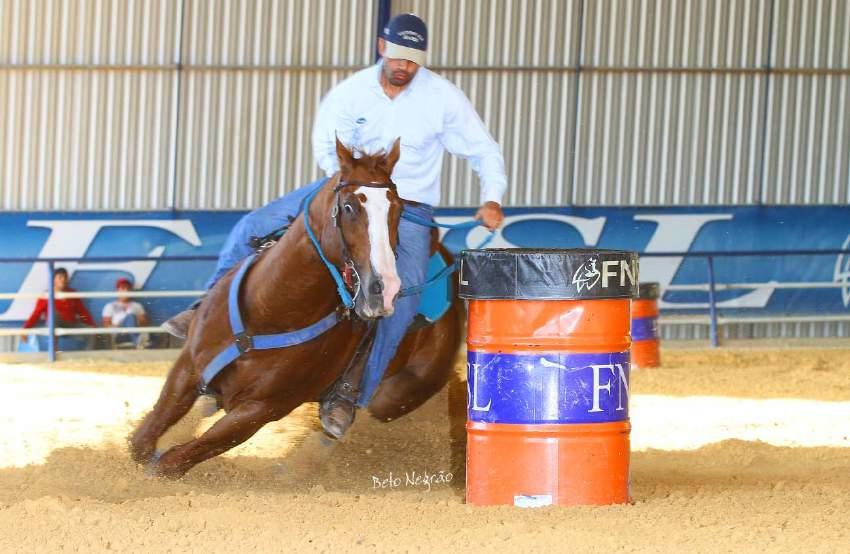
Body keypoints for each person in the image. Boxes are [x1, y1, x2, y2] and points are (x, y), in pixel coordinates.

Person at [162, 13, 508, 438]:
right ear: (383, 48)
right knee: (254, 225)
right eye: (398, 56)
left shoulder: (443, 98)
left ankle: (348, 393)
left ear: (422, 60)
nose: (404, 66)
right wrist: (344, 187)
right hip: (343, 192)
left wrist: (492, 196)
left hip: (408, 208)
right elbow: (326, 141)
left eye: (413, 60)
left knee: (403, 294)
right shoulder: (351, 93)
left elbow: (483, 150)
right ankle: (203, 311)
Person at [20, 267, 96, 351]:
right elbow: (36, 314)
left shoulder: (72, 293)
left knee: (92, 331)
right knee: (54, 314)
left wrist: (92, 325)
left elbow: (82, 312)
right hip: (53, 327)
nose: (63, 280)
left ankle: (89, 357)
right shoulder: (46, 295)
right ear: (54, 280)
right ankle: (53, 350)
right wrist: (25, 329)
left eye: (65, 277)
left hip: (71, 325)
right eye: (60, 277)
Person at [102, 277, 149, 348]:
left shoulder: (137, 305)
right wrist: (118, 326)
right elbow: (106, 324)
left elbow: (144, 323)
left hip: (135, 331)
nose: (126, 291)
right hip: (120, 334)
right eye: (123, 288)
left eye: (128, 289)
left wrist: (137, 321)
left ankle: (137, 340)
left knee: (131, 317)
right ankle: (137, 342)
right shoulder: (110, 306)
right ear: (118, 291)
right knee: (130, 317)